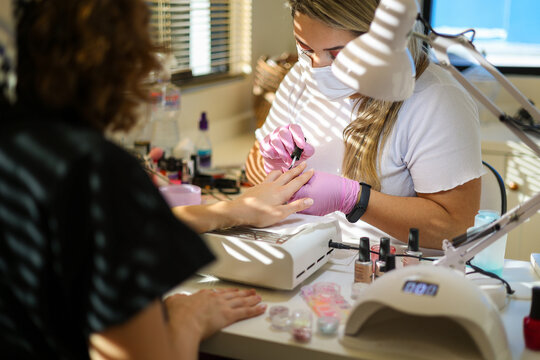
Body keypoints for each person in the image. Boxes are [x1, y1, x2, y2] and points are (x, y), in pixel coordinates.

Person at [0, 0, 313, 358]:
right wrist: (188, 319)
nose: (152, 54)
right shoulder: (92, 170)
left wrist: (230, 211)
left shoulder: (22, 153)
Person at [245, 0, 484, 250]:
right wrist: (272, 166)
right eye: (306, 49)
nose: (317, 69)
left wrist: (355, 199)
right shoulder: (300, 78)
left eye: (337, 54)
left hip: (384, 268)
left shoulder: (434, 99)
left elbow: (455, 227)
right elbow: (252, 168)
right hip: (301, 253)